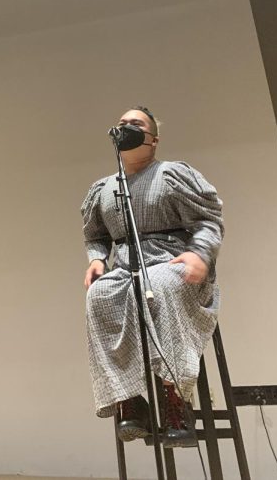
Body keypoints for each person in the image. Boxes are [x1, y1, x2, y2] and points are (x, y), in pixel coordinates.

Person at [82, 107, 222, 448]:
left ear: (153, 139)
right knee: (98, 296)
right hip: (125, 268)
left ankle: (176, 399)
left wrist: (199, 253)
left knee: (156, 284)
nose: (126, 127)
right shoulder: (103, 188)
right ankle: (129, 400)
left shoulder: (173, 174)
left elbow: (209, 220)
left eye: (136, 124)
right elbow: (95, 235)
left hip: (173, 263)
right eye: (122, 123)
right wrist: (97, 259)